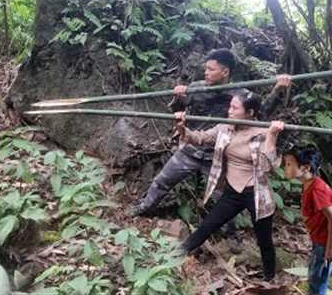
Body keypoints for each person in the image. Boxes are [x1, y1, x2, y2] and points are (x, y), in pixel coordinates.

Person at [129, 48, 291, 217]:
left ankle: (229, 232)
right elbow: (178, 112)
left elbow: (261, 113)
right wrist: (180, 98)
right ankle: (144, 208)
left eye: (211, 69)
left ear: (225, 72)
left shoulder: (241, 95)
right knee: (162, 180)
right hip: (191, 148)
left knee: (225, 197)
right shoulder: (197, 88)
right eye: (206, 68)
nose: (206, 73)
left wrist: (278, 89)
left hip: (219, 155)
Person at [175, 92, 284, 281]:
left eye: (235, 108)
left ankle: (269, 278)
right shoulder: (225, 127)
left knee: (264, 240)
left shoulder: (262, 132)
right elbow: (200, 138)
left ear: (250, 112)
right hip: (232, 191)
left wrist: (272, 136)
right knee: (208, 225)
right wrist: (182, 127)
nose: (229, 111)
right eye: (230, 106)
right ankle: (175, 255)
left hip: (256, 194)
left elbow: (267, 167)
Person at [283, 146, 332, 294]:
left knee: (317, 280)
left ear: (305, 168)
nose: (285, 167)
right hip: (319, 239)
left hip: (325, 243)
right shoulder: (309, 184)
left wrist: (329, 251)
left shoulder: (317, 189)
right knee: (315, 276)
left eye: (289, 164)